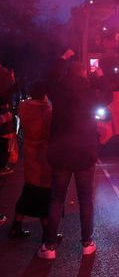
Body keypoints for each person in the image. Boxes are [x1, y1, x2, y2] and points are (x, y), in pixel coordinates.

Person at [37, 49, 111, 259]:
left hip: (61, 152)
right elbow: (108, 96)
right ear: (83, 74)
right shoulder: (90, 93)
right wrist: (102, 76)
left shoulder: (58, 91)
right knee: (86, 200)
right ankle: (87, 243)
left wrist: (62, 58)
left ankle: (49, 247)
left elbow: (49, 79)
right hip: (85, 152)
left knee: (56, 199)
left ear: (68, 73)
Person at [8, 81, 52, 239]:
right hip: (43, 154)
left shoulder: (24, 107)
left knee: (29, 189)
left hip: (29, 151)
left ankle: (16, 225)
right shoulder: (46, 110)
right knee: (44, 192)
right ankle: (47, 230)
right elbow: (49, 133)